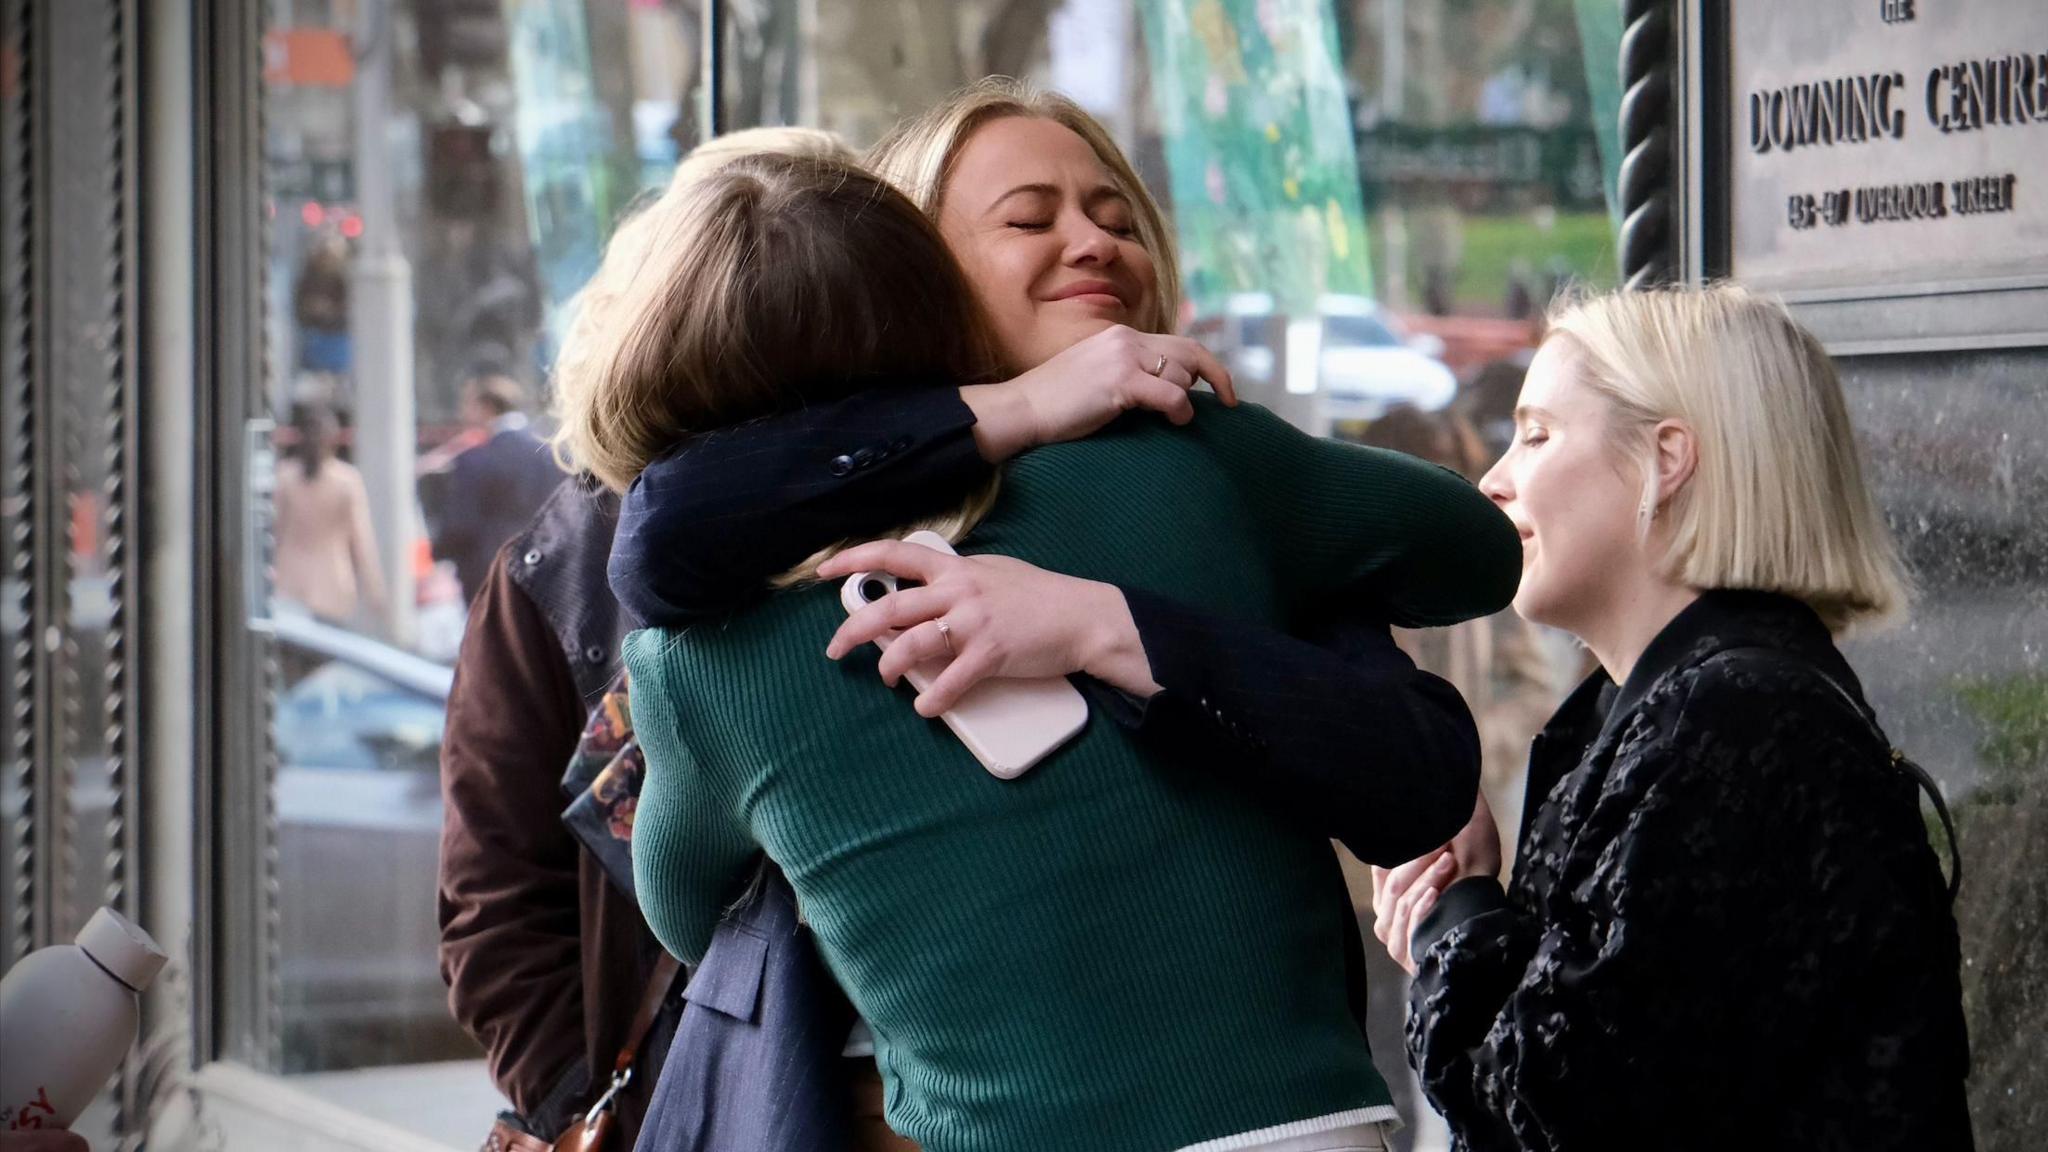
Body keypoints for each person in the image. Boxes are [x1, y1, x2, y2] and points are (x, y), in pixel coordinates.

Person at [596, 87, 1506, 1152]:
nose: (1094, 245)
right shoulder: (1192, 464)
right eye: (1028, 220)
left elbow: (680, 912)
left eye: (1119, 217)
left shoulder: (695, 653)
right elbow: (1471, 553)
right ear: (915, 274)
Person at [1372, 284, 1972, 1149]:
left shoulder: (1734, 721)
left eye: (1537, 435)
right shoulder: (1676, 708)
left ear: (1666, 460)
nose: (1494, 479)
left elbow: (1552, 1109)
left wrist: (1454, 919)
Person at [435, 126, 872, 1151]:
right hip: (675, 1098)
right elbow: (493, 893)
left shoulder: (936, 494)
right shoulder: (558, 569)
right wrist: (605, 1109)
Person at [427, 374, 565, 606]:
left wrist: (439, 551)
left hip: (489, 574)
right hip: (547, 569)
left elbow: (461, 524)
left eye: (468, 406)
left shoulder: (475, 460)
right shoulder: (552, 453)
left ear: (486, 407)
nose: (464, 415)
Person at [272, 399, 383, 626]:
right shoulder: (347, 480)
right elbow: (361, 540)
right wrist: (375, 589)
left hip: (290, 582)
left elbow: (274, 532)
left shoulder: (285, 476)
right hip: (334, 585)